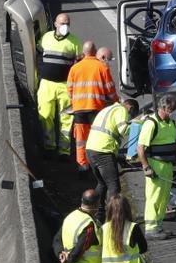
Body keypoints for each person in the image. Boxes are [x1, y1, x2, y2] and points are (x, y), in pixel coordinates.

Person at [137, 94, 176, 240]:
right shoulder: (151, 124)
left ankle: (158, 227)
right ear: (164, 108)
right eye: (172, 109)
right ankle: (151, 229)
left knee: (164, 198)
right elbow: (140, 148)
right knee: (154, 197)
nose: (174, 111)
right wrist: (146, 167)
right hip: (156, 166)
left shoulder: (172, 122)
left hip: (168, 165)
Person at [66, 42, 118, 172]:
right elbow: (110, 90)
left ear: (84, 52)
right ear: (95, 52)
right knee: (97, 137)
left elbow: (69, 90)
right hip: (96, 108)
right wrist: (116, 102)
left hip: (79, 109)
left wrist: (77, 101)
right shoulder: (101, 67)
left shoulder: (75, 68)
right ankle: (97, 164)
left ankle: (82, 165)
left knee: (80, 140)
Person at [37, 12, 82, 158]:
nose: (65, 26)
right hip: (46, 84)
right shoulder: (46, 38)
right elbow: (37, 53)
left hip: (65, 85)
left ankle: (64, 150)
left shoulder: (75, 42)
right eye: (62, 23)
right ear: (55, 24)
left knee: (66, 119)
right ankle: (49, 146)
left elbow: (79, 64)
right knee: (45, 114)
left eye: (68, 23)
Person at [85, 98, 140, 217]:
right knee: (114, 187)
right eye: (131, 116)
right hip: (103, 151)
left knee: (102, 183)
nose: (129, 119)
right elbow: (123, 130)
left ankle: (98, 214)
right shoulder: (121, 110)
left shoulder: (107, 109)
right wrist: (138, 124)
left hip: (90, 150)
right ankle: (114, 217)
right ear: (130, 108)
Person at [55, 189, 101, 263]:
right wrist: (68, 260)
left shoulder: (70, 217)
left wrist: (61, 255)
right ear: (96, 204)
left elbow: (57, 240)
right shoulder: (89, 224)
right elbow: (80, 249)